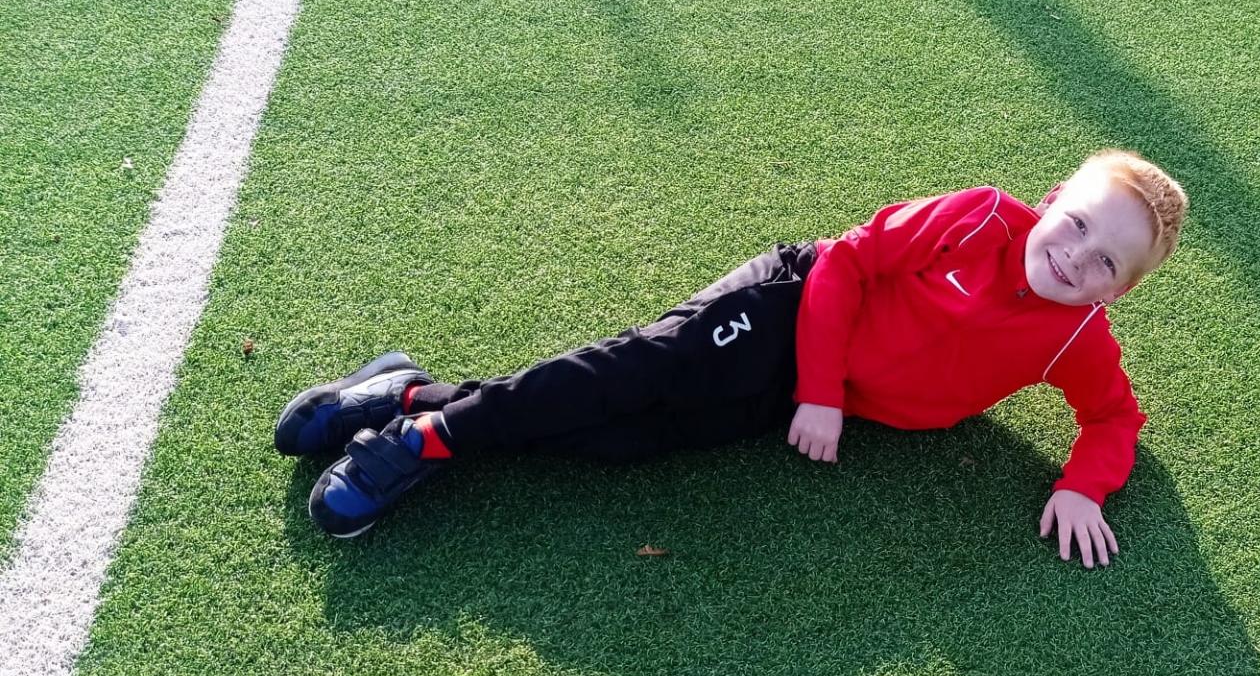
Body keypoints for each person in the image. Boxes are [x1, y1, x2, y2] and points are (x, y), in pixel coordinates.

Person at [276, 149, 1186, 568]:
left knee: (623, 442)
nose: (1077, 257)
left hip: (794, 397)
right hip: (792, 307)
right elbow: (847, 263)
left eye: (1107, 262)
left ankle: (410, 394)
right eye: (1077, 224)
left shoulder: (1077, 337)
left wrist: (1082, 487)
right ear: (1052, 198)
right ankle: (425, 439)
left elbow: (1114, 417)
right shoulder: (980, 215)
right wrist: (822, 391)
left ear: (1119, 293)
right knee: (632, 375)